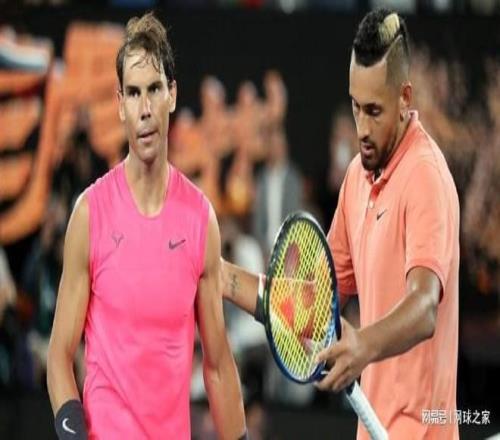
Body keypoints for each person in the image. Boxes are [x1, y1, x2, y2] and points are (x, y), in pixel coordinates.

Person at [222, 8, 459, 440]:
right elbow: (307, 310)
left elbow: (425, 307)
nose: (361, 128)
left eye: (374, 111)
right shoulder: (356, 179)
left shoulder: (426, 176)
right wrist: (220, 276)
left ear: (405, 98)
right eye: (355, 107)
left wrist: (362, 345)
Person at [47, 12, 247, 440]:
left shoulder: (200, 219)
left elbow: (217, 366)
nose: (144, 109)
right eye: (134, 93)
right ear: (120, 103)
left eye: (154, 89)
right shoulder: (90, 214)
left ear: (172, 95)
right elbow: (60, 356)